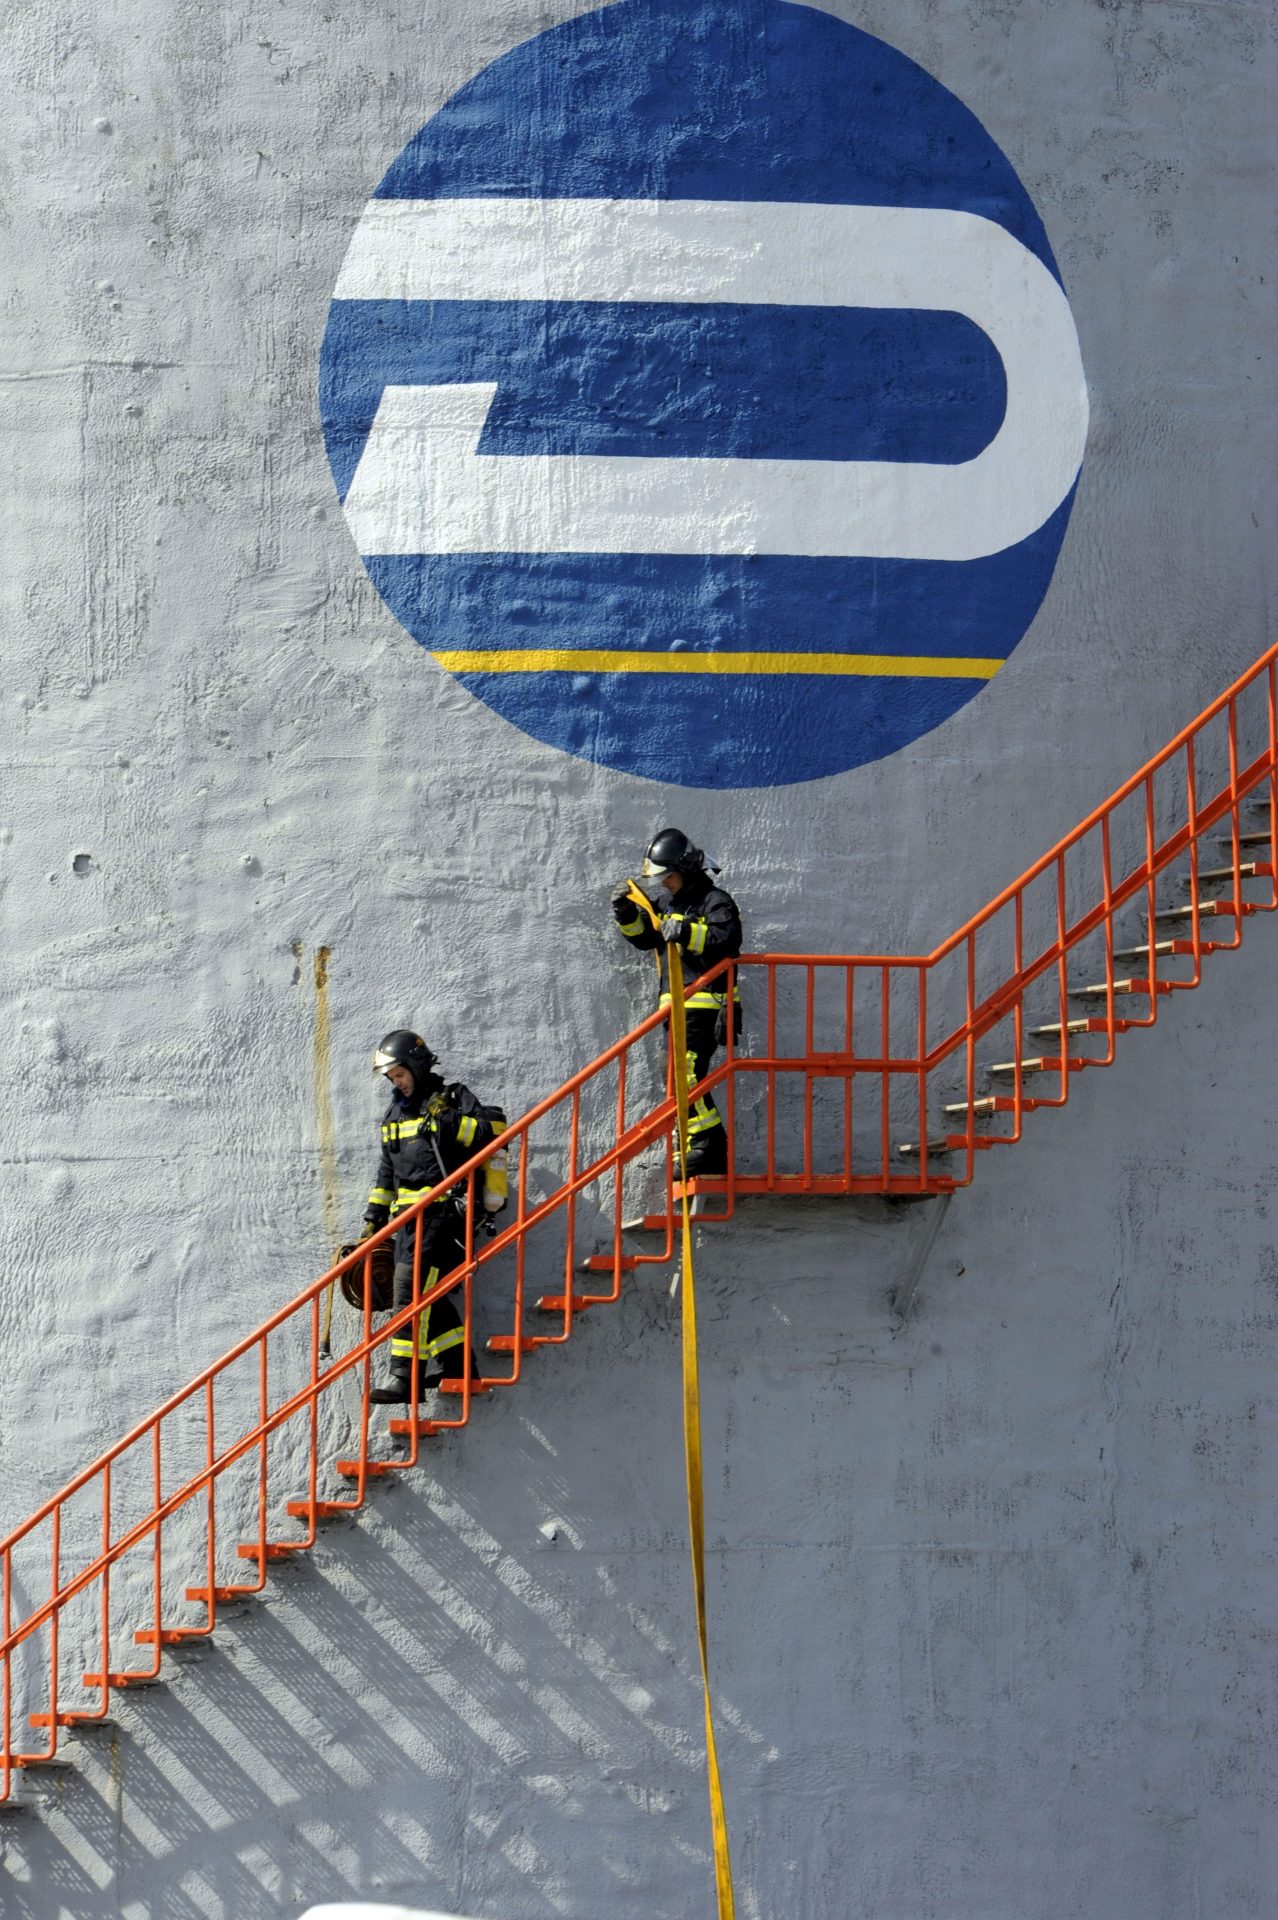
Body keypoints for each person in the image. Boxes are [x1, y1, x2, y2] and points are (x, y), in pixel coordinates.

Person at [360, 1029, 501, 1404]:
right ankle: (459, 1368)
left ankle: (404, 1378)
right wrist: (373, 1219)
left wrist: (450, 1120)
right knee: (430, 1297)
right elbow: (387, 1172)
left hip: (444, 1216)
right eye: (392, 1078)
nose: (397, 1083)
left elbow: (490, 1133)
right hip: (408, 1223)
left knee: (409, 1293)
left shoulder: (451, 1098)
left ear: (417, 1067)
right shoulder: (395, 1113)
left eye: (400, 1075)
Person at [610, 829, 743, 1179]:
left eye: (667, 876)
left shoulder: (715, 900)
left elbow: (726, 939)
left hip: (705, 1005)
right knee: (676, 1075)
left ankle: (710, 1145)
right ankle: (695, 1144)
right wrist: (626, 913)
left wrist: (684, 931)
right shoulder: (674, 905)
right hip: (679, 1008)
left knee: (685, 1072)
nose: (664, 884)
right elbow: (648, 938)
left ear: (684, 869)